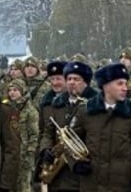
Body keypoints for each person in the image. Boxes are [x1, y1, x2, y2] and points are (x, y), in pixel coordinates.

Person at [70, 63, 131, 192]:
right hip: (91, 185)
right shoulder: (86, 111)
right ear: (106, 85)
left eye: (125, 83)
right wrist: (76, 163)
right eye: (120, 84)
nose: (125, 88)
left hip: (121, 185)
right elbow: (71, 143)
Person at [38, 61, 97, 192]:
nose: (71, 82)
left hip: (83, 171)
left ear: (86, 82)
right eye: (69, 79)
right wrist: (45, 149)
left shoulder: (95, 105)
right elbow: (48, 132)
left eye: (76, 79)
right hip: (59, 174)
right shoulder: (56, 104)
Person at [0, 79, 39, 192]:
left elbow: (34, 135)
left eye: (15, 90)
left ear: (22, 91)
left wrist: (29, 153)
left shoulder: (30, 111)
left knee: (24, 185)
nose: (12, 93)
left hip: (24, 154)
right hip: (10, 154)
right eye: (10, 90)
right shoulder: (5, 108)